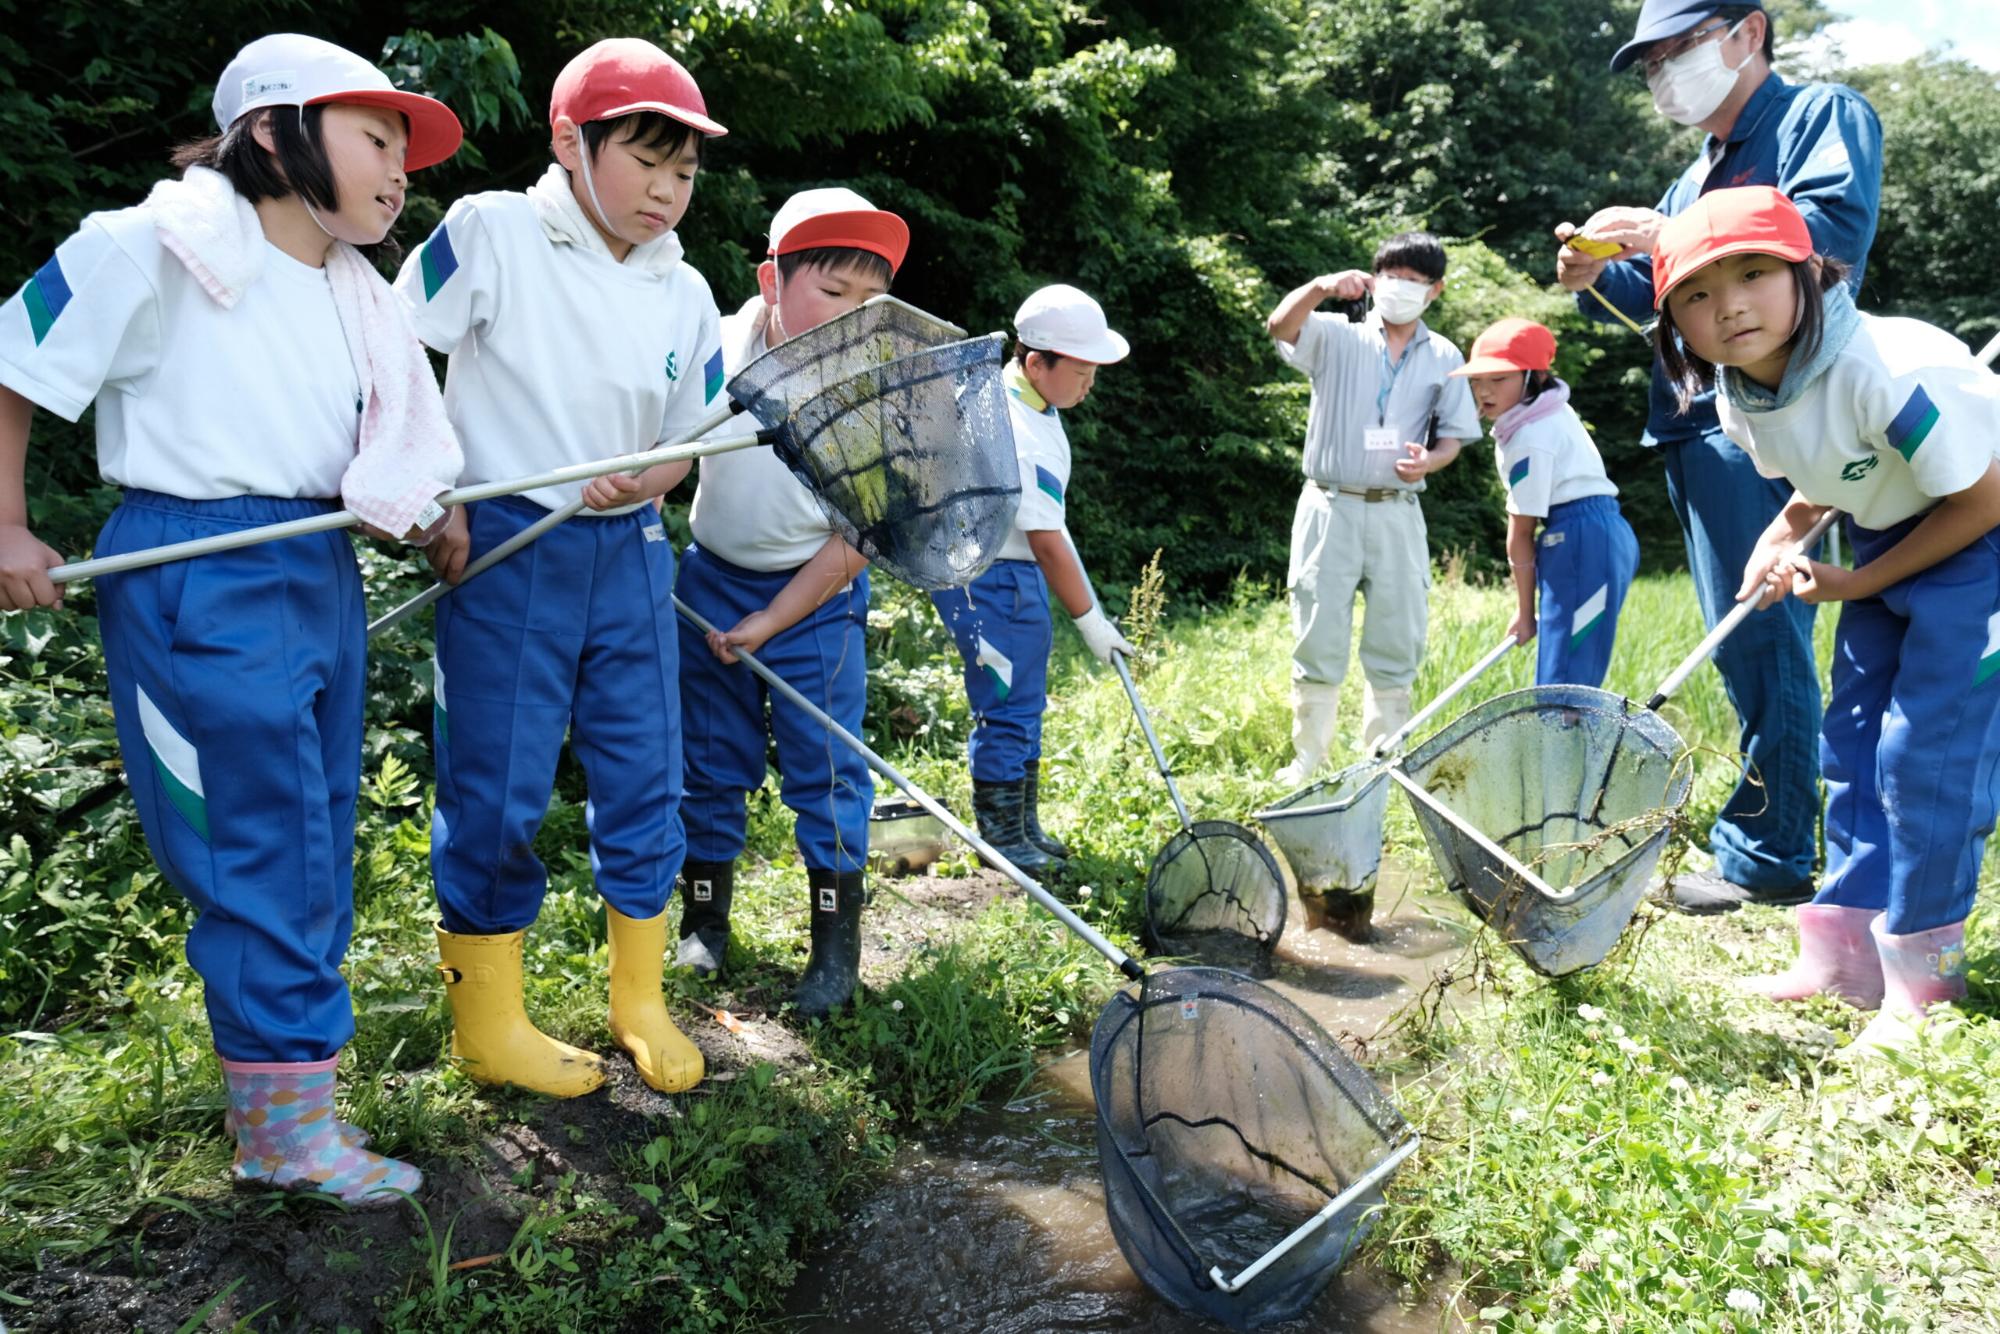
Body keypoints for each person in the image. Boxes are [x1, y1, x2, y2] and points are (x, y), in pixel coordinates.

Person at [0, 33, 465, 1203]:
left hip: (315, 558)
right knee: (255, 838)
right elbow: (13, 360)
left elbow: (357, 447)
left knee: (315, 825)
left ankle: (295, 1105)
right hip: (198, 563)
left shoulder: (353, 293)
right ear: (271, 130)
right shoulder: (148, 243)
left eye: (404, 151)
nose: (399, 168)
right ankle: (282, 1139)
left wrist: (422, 508)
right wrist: (6, 526)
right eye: (375, 137)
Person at [395, 38, 725, 1096]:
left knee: (644, 768)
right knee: (495, 782)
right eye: (645, 160)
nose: (665, 191)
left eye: (683, 172)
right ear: (569, 141)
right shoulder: (492, 230)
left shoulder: (687, 287)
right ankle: (489, 1020)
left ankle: (639, 997)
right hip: (506, 543)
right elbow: (392, 351)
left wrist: (657, 478)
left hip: (626, 553)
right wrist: (430, 494)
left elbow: (695, 431)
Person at [1652, 186, 2000, 1050]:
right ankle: (1845, 952)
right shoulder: (1739, 398)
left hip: (1979, 539)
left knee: (1926, 753)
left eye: (1753, 272)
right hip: (1891, 531)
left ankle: (1925, 985)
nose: (1728, 305)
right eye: (1696, 292)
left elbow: (1982, 499)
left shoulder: (1889, 369)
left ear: (1806, 272)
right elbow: (1833, 470)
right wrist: (1783, 530)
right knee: (1850, 739)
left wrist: (1861, 581)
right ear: (1670, 324)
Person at [1555, 0, 1883, 913]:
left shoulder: (1820, 115)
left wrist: (1668, 235)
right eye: (1650, 60)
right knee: (1739, 641)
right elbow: (1663, 292)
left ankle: (1771, 855)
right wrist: (1599, 272)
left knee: (1763, 631)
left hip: (1779, 415)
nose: (1664, 72)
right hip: (1699, 422)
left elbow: (1826, 243)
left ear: (1750, 32)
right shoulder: (1693, 173)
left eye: (1679, 48)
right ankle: (1764, 829)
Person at [674, 187, 910, 1018]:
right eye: (834, 291)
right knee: (708, 757)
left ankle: (834, 951)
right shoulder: (717, 340)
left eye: (871, 300)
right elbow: (667, 444)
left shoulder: (880, 385)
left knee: (828, 765)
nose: (853, 315)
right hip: (708, 576)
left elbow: (866, 535)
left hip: (817, 592)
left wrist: (776, 619)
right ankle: (704, 921)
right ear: (772, 280)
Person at [930, 284, 1134, 876]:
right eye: (1082, 369)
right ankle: (1000, 840)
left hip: (1016, 578)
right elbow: (1046, 539)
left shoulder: (1036, 404)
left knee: (1025, 702)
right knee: (1003, 704)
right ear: (1036, 360)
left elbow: (1051, 526)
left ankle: (1023, 826)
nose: (1089, 382)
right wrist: (1091, 621)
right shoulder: (1013, 424)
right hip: (989, 583)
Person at [1266, 232, 1481, 784]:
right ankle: (1308, 759)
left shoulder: (1444, 356)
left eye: (1414, 281)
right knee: (1316, 628)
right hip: (1329, 503)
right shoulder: (1336, 335)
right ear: (1373, 278)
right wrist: (1319, 287)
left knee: (1396, 631)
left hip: (1396, 507)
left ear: (1434, 291)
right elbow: (1280, 327)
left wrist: (1429, 462)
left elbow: (1454, 436)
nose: (1401, 289)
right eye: (1392, 276)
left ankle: (1381, 763)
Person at [1453, 318, 1639, 687]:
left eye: (1499, 379)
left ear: (1532, 376)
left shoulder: (1528, 436)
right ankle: (1565, 741)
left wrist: (1525, 614)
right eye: (1477, 380)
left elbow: (1520, 532)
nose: (1484, 391)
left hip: (1580, 539)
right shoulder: (1554, 410)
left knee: (1564, 682)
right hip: (1602, 532)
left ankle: (1562, 744)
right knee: (1577, 670)